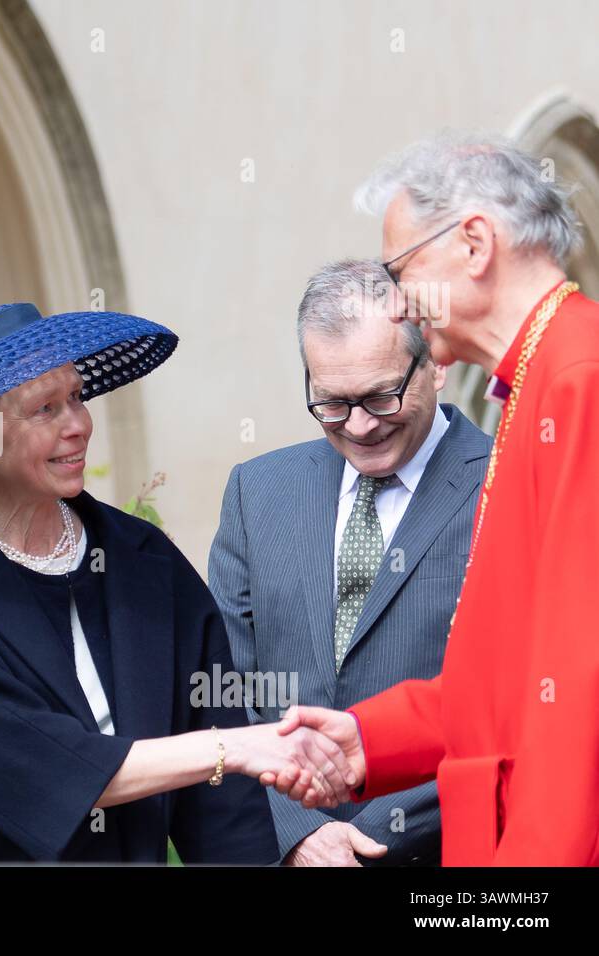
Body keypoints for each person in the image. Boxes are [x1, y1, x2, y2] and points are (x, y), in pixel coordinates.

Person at [0, 301, 355, 863]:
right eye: (45, 409)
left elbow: (221, 799)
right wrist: (234, 747)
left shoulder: (143, 558)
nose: (78, 424)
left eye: (77, 397)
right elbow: (49, 771)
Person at [273, 134, 599, 865]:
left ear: (475, 243)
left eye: (401, 268)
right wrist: (368, 738)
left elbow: (581, 683)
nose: (396, 304)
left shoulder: (579, 376)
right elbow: (506, 679)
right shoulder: (537, 380)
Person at [209, 258, 490, 866]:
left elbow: (512, 700)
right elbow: (222, 689)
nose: (360, 427)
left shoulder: (511, 481)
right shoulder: (258, 492)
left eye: (380, 397)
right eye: (332, 403)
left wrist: (375, 841)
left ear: (436, 364)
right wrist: (299, 832)